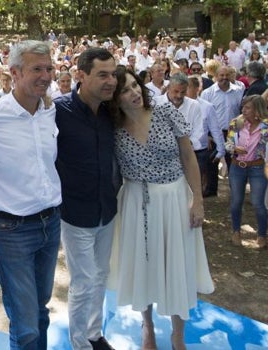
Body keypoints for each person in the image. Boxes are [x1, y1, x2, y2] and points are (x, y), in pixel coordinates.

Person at [0, 40, 62, 349]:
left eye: (49, 68)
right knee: (25, 320)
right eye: (37, 69)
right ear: (15, 73)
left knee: (41, 309)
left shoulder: (50, 110)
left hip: (50, 222)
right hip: (11, 230)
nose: (45, 76)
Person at [107, 65, 214, 350]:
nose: (133, 93)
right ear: (114, 98)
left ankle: (178, 334)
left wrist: (198, 201)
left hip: (175, 199)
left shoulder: (166, 112)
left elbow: (189, 157)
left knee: (178, 265)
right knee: (145, 265)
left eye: (134, 86)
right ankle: (147, 325)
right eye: (124, 90)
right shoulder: (111, 127)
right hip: (134, 202)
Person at [54, 47, 118, 350]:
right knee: (83, 281)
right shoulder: (58, 112)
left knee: (101, 274)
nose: (111, 81)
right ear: (81, 76)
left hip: (107, 208)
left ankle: (94, 334)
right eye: (102, 74)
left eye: (113, 74)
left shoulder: (111, 111)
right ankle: (79, 344)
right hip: (75, 212)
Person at [225, 95, 268, 249]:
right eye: (243, 106)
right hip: (237, 167)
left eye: (248, 107)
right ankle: (236, 232)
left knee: (258, 203)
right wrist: (234, 148)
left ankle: (262, 235)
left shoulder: (266, 127)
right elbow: (228, 144)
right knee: (236, 201)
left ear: (257, 109)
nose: (243, 110)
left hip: (257, 168)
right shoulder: (236, 123)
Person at [201, 66, 245, 196]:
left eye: (227, 75)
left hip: (233, 133)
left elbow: (242, 112)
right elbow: (203, 116)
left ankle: (236, 190)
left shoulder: (239, 91)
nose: (224, 78)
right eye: (221, 75)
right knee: (212, 161)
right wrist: (206, 135)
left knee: (234, 162)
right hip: (214, 133)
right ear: (216, 76)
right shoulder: (207, 93)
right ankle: (211, 189)